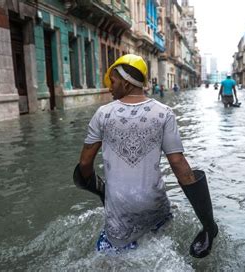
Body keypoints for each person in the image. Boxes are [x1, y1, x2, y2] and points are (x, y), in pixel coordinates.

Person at [73, 54, 218, 258]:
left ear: (125, 82)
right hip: (155, 206)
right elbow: (178, 164)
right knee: (160, 252)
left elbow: (85, 163)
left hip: (120, 214)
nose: (109, 87)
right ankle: (210, 229)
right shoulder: (164, 113)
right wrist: (207, 224)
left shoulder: (102, 114)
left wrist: (101, 190)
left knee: (110, 260)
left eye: (113, 82)